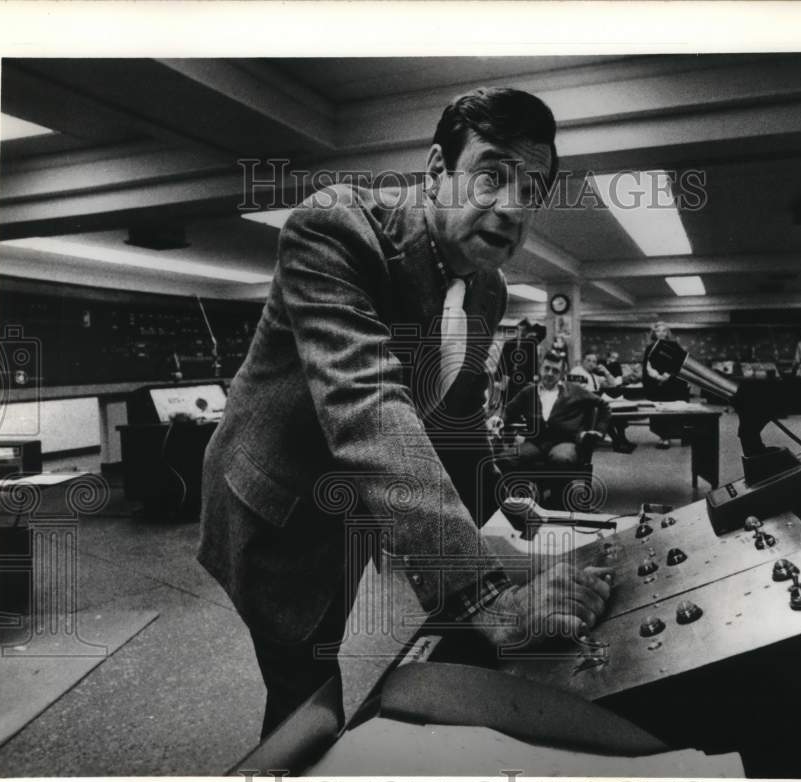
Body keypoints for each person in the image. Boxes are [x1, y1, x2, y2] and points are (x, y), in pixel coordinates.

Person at [198, 87, 612, 737]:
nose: (511, 206)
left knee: (334, 631)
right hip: (272, 502)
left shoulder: (488, 287)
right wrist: (487, 599)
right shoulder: (333, 227)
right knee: (306, 684)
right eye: (492, 175)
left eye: (530, 189)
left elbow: (457, 411)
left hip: (352, 498)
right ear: (437, 169)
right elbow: (367, 406)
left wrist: (496, 498)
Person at [502, 351, 610, 496]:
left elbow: (603, 405)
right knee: (506, 459)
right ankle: (519, 500)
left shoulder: (574, 391)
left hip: (565, 442)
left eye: (555, 370)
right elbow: (508, 412)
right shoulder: (528, 392)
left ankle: (556, 499)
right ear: (540, 368)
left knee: (561, 459)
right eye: (546, 368)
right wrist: (501, 425)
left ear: (562, 373)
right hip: (536, 443)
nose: (550, 373)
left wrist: (599, 430)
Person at [642, 321, 690, 449]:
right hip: (656, 384)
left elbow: (680, 363)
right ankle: (662, 437)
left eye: (664, 331)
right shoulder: (650, 348)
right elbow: (647, 366)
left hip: (672, 384)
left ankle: (669, 436)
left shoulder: (674, 346)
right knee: (659, 411)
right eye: (658, 331)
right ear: (654, 333)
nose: (661, 333)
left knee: (671, 410)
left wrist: (668, 375)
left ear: (667, 333)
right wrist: (657, 376)